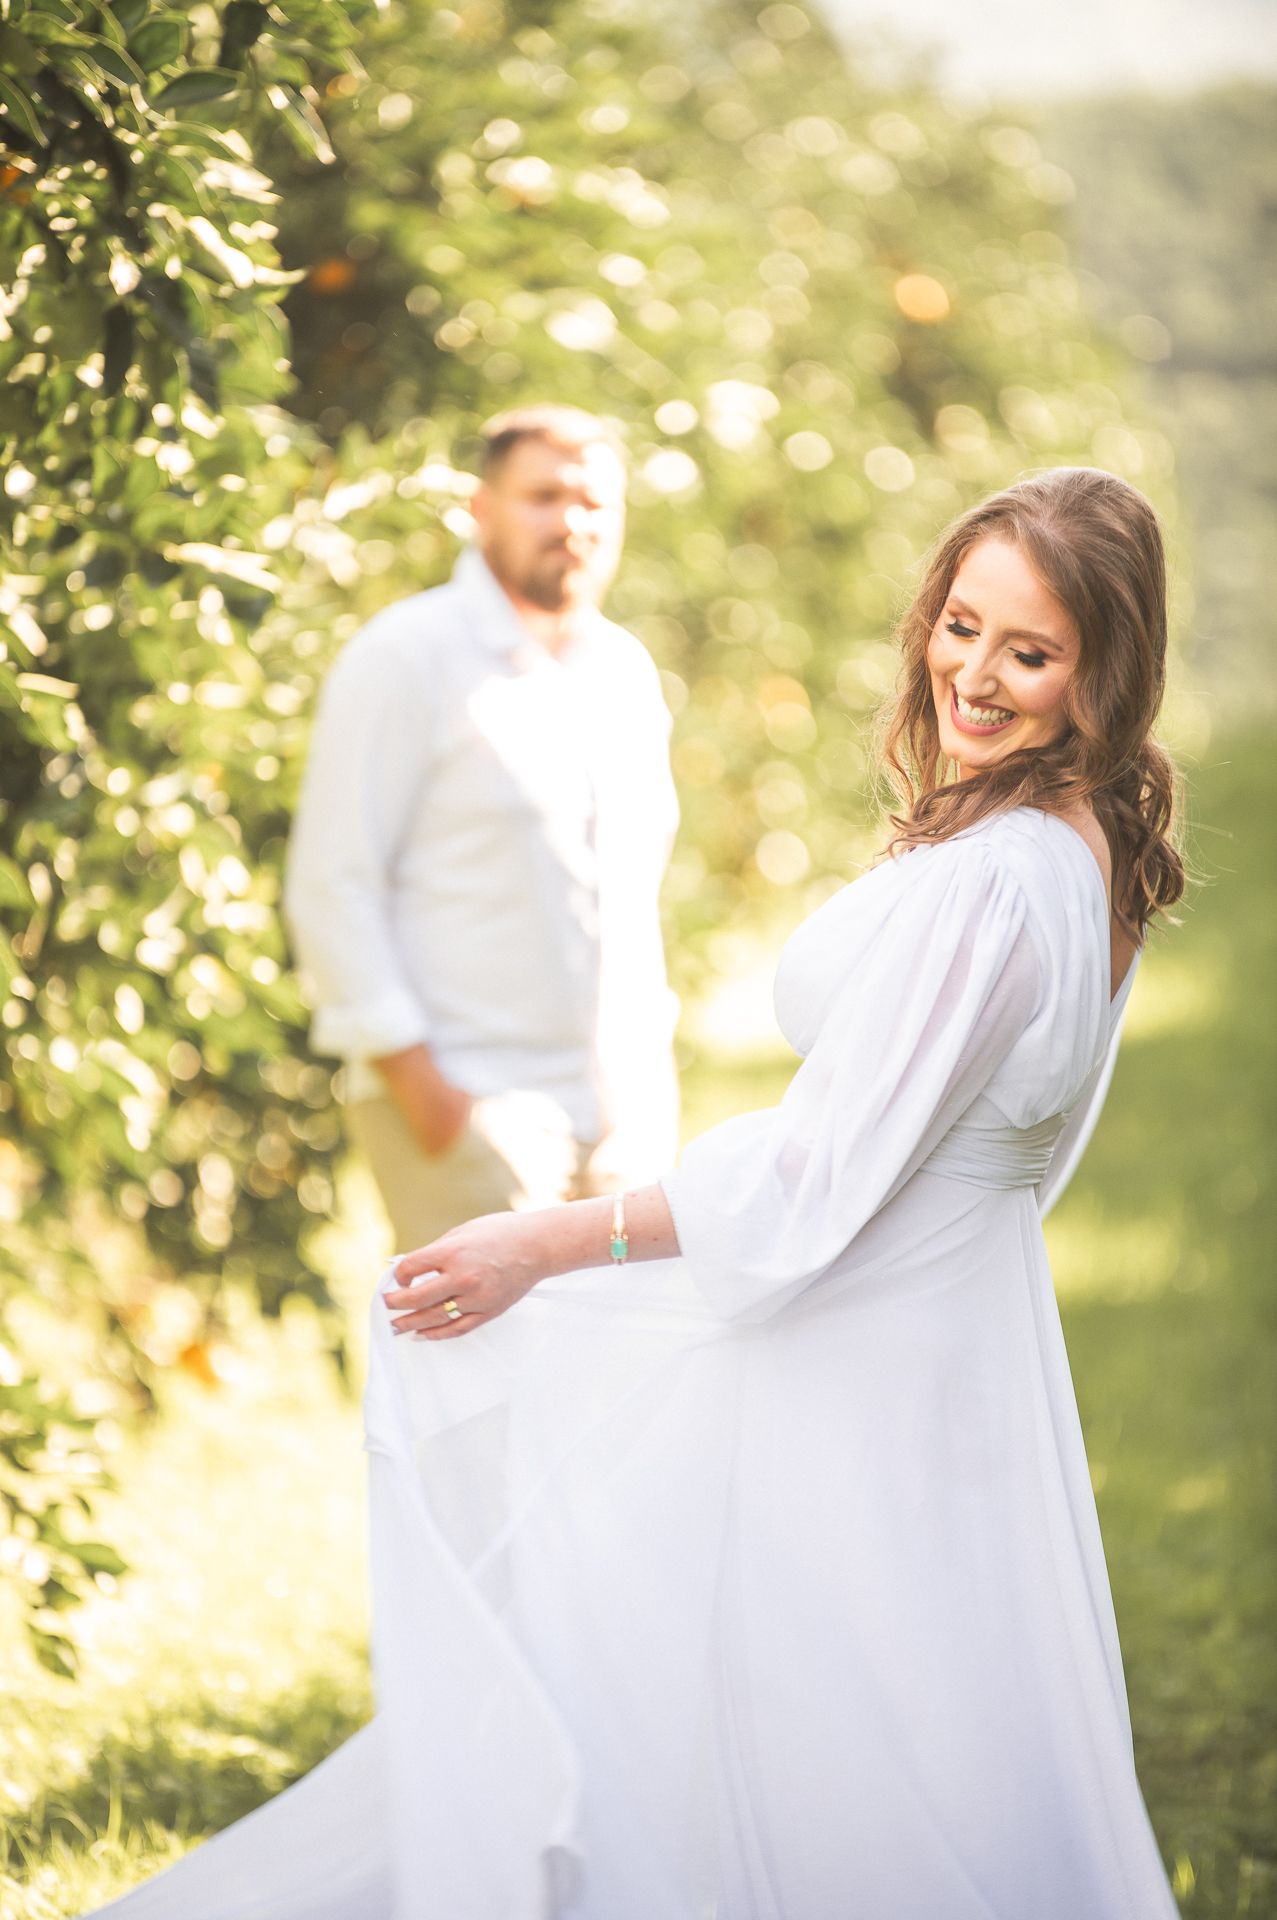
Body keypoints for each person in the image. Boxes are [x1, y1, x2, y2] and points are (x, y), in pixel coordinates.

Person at [88, 467, 1182, 1919]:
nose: (973, 673)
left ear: (1100, 674)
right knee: (888, 1715)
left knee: (790, 1717)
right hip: (958, 1338)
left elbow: (813, 1175)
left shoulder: (991, 879)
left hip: (863, 1346)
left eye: (1027, 652)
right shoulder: (1086, 852)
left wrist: (545, 1246)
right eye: (961, 625)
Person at [283, 404, 680, 1253]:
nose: (571, 523)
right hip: (474, 1114)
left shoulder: (624, 672)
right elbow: (330, 885)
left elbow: (633, 893)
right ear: (481, 507)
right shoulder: (404, 657)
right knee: (488, 1388)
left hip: (624, 1125)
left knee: (630, 1381)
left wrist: (646, 1091)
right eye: (543, 496)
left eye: (594, 503)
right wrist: (432, 1100)